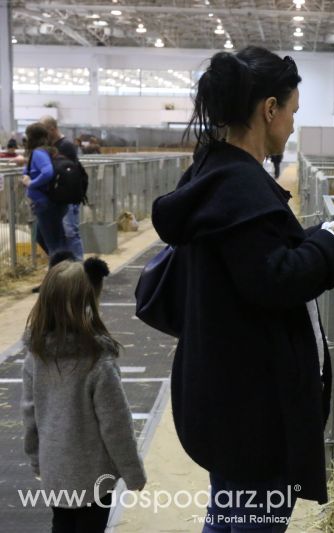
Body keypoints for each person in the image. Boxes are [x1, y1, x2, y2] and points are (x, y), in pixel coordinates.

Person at [151, 46, 334, 532]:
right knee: (252, 518)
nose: (294, 125)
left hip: (223, 388)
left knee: (228, 513)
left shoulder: (212, 174)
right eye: (293, 112)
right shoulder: (240, 185)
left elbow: (254, 257)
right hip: (252, 406)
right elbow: (273, 278)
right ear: (269, 109)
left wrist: (333, 227)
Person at [21, 257, 146, 533]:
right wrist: (132, 471)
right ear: (88, 302)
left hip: (54, 469)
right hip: (94, 476)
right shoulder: (97, 361)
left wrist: (36, 458)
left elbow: (29, 414)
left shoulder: (35, 356)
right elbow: (116, 424)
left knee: (61, 523)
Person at [21, 123, 68, 258]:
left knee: (54, 244)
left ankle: (59, 273)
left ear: (31, 137)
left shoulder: (38, 153)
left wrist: (31, 183)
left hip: (45, 204)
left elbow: (48, 172)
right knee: (44, 238)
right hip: (46, 203)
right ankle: (64, 268)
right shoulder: (44, 151)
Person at [41, 115, 84, 260]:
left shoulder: (65, 145)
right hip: (59, 197)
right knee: (54, 233)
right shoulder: (54, 146)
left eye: (45, 131)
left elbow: (65, 170)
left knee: (70, 231)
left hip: (68, 196)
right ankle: (65, 264)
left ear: (52, 129)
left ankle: (78, 266)